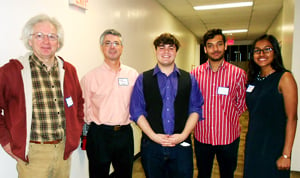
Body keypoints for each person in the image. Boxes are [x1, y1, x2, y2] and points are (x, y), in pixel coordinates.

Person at [0, 14, 84, 178]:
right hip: (32, 154)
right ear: (29, 40)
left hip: (62, 152)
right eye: (39, 36)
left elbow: (79, 104)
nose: (46, 41)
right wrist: (7, 143)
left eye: (52, 36)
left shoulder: (69, 70)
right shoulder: (11, 71)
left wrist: (75, 133)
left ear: (58, 42)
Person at [130, 33, 204, 178]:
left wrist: (183, 135)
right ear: (155, 51)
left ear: (176, 51)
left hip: (181, 147)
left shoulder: (189, 79)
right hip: (152, 147)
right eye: (162, 48)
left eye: (171, 48)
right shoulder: (142, 79)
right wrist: (153, 136)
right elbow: (137, 111)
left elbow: (195, 109)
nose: (166, 52)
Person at [81, 29, 138, 178]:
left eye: (116, 43)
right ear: (101, 47)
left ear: (122, 48)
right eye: (108, 43)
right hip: (99, 135)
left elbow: (139, 104)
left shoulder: (133, 75)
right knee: (98, 174)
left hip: (125, 134)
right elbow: (84, 109)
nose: (112, 47)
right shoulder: (90, 77)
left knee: (125, 174)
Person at [191, 29, 247, 178]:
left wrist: (226, 117)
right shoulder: (195, 74)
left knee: (227, 174)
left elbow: (241, 103)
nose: (215, 49)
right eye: (210, 45)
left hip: (229, 137)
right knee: (203, 174)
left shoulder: (238, 74)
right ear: (205, 49)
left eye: (219, 44)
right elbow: (192, 103)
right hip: (203, 137)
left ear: (225, 46)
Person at [244, 34, 298, 178]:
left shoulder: (284, 78)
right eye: (257, 50)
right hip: (254, 142)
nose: (261, 54)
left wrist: (286, 154)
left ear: (275, 52)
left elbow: (292, 118)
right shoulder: (254, 79)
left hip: (274, 144)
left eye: (267, 49)